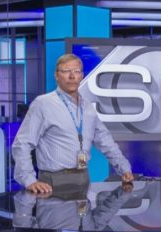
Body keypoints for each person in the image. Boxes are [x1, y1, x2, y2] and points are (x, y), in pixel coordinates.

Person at [12, 53, 134, 194]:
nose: (72, 76)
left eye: (76, 71)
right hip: (52, 183)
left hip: (83, 178)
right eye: (66, 71)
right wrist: (29, 180)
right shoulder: (43, 104)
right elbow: (22, 143)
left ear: (81, 75)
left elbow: (105, 141)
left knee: (84, 215)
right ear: (56, 76)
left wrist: (124, 168)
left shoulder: (87, 107)